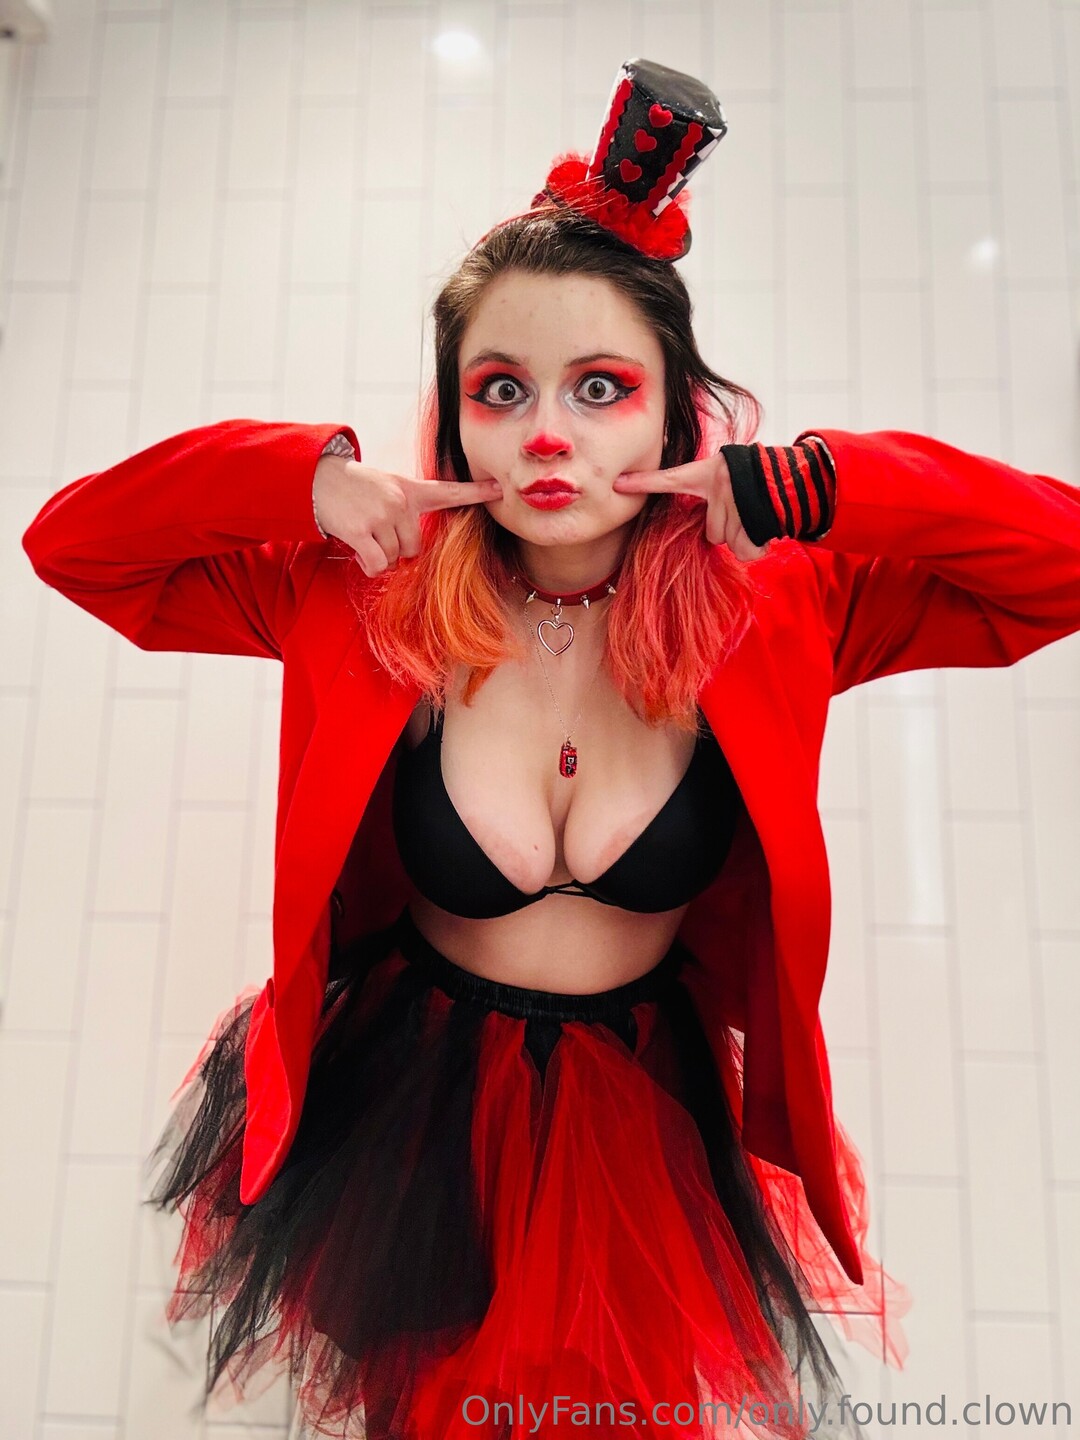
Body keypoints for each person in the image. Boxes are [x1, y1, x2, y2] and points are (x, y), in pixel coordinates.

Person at [21, 58, 1080, 1440]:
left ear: (674, 409)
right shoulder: (361, 596)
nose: (547, 439)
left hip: (646, 1126)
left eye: (599, 387)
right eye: (502, 389)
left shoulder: (779, 606)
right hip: (410, 1122)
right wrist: (299, 473)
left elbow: (1058, 564)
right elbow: (77, 547)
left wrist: (828, 485)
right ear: (453, 407)